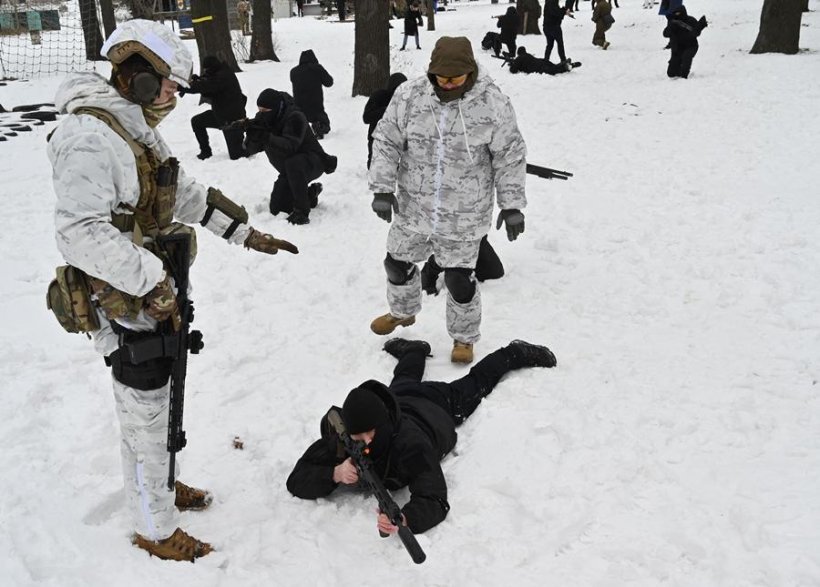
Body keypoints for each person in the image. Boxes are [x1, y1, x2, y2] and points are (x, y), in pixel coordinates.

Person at [46, 19, 299, 562]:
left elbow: (175, 190)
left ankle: (158, 483)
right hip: (122, 303)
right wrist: (153, 281)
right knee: (144, 414)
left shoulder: (131, 125)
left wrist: (244, 232)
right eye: (165, 84)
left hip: (151, 298)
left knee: (157, 410)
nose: (173, 96)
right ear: (134, 74)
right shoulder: (88, 137)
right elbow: (79, 233)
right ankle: (155, 527)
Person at [286, 338, 557, 534]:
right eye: (358, 437)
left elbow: (434, 497)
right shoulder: (342, 437)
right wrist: (334, 473)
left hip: (436, 406)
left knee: (476, 383)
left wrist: (406, 519)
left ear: (381, 424)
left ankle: (513, 352)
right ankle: (415, 349)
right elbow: (296, 481)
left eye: (370, 434)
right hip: (399, 398)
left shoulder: (410, 445)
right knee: (404, 378)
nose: (365, 443)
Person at [368, 36, 527, 364]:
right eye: (441, 77)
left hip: (464, 213)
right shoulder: (410, 96)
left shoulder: (492, 103)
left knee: (458, 280)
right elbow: (385, 140)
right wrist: (382, 188)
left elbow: (509, 155)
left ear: (470, 72)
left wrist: (511, 205)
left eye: (455, 78)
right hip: (415, 205)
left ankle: (464, 338)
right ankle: (402, 312)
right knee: (396, 264)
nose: (448, 83)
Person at [244, 88, 338, 225]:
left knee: (294, 163)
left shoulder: (295, 117)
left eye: (265, 111)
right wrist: (251, 135)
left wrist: (266, 137)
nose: (261, 114)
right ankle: (310, 194)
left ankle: (302, 212)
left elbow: (290, 146)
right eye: (260, 110)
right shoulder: (263, 119)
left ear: (276, 108)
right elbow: (250, 149)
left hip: (313, 162)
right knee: (278, 209)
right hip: (289, 170)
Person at [180, 55, 248, 160]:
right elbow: (209, 86)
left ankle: (259, 141)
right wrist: (198, 80)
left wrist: (182, 87)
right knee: (197, 121)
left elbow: (207, 85)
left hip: (233, 121)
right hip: (221, 115)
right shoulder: (219, 72)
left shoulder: (223, 76)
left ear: (213, 67)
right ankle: (205, 152)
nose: (206, 72)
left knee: (237, 155)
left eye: (207, 69)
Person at [362, 72, 407, 169]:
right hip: (377, 139)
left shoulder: (406, 100)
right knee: (376, 168)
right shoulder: (379, 96)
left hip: (398, 141)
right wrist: (387, 110)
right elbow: (367, 117)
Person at [289, 49, 334, 139]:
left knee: (300, 117)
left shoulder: (293, 71)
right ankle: (320, 127)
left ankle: (299, 130)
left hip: (299, 104)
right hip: (315, 104)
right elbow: (329, 82)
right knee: (323, 121)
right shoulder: (317, 68)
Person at [663, 5, 707, 78]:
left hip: (691, 46)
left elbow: (696, 33)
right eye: (676, 14)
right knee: (671, 73)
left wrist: (700, 26)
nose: (677, 15)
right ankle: (679, 69)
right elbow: (665, 34)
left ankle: (684, 74)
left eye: (679, 13)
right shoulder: (673, 22)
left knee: (686, 57)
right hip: (678, 48)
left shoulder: (691, 20)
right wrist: (671, 27)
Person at [507, 46, 580, 74]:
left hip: (537, 67)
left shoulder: (519, 58)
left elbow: (513, 70)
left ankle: (566, 67)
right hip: (542, 61)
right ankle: (565, 63)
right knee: (554, 66)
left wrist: (513, 64)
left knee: (554, 71)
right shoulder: (528, 55)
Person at [543, 0, 570, 69]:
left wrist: (563, 10)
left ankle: (546, 60)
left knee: (550, 44)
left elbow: (556, 12)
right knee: (560, 43)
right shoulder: (552, 2)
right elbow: (556, 13)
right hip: (554, 27)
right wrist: (564, 11)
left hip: (547, 27)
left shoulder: (548, 3)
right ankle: (563, 60)